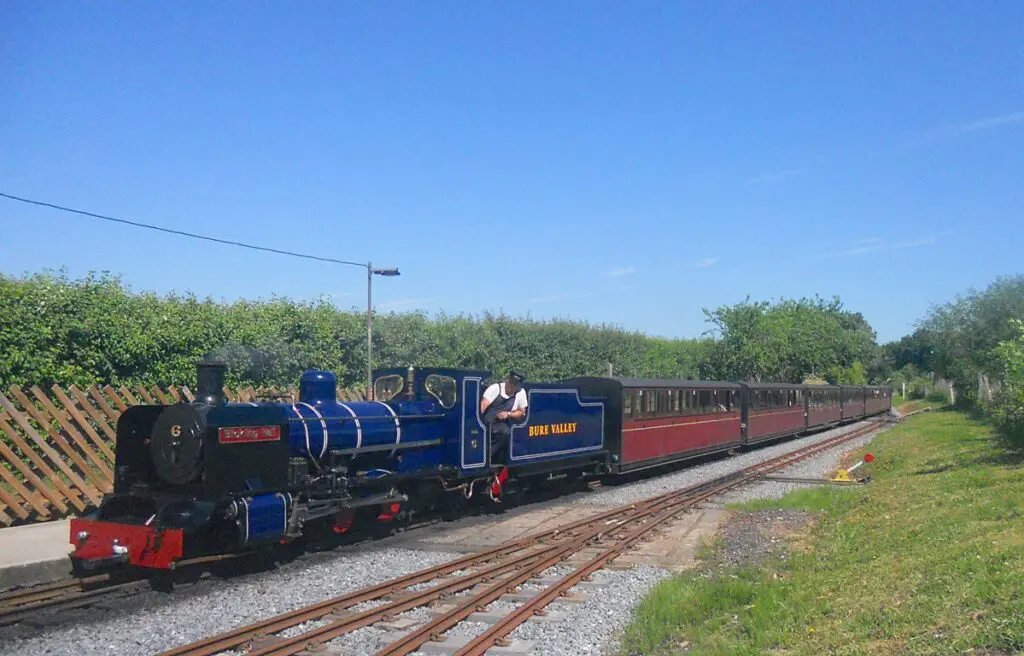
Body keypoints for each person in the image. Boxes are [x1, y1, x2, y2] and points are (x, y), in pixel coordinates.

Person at [480, 371, 528, 466]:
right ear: (507, 380)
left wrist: (508, 414)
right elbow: (483, 405)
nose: (512, 386)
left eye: (515, 384)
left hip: (503, 423)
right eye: (511, 382)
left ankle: (489, 457)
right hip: (487, 421)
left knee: (505, 432)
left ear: (519, 385)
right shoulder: (495, 388)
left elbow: (522, 412)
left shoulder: (521, 393)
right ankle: (484, 457)